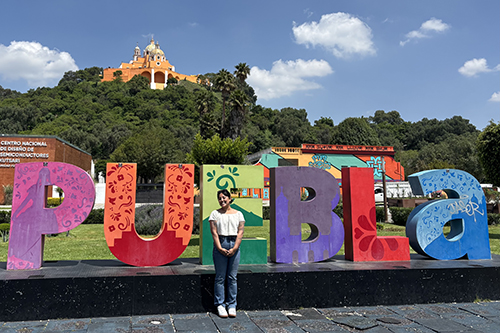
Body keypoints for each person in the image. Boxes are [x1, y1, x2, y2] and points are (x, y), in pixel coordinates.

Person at [209, 189, 245, 318]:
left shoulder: (239, 214)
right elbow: (214, 233)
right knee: (220, 277)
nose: (222, 200)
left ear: (230, 199)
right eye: (219, 198)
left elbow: (240, 232)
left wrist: (235, 247)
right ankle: (220, 304)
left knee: (232, 277)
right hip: (221, 243)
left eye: (224, 197)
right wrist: (219, 248)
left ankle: (232, 305)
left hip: (234, 244)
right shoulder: (215, 214)